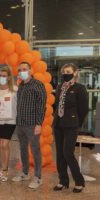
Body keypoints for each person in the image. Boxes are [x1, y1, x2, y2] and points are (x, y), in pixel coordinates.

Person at [53, 63, 88, 193]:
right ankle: (63, 181)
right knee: (60, 154)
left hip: (71, 125)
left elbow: (83, 109)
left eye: (68, 71)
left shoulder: (80, 88)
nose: (65, 74)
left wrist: (76, 123)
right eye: (63, 72)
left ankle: (79, 181)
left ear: (74, 73)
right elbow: (57, 104)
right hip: (58, 124)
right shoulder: (59, 87)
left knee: (68, 152)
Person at [12, 62, 47, 189]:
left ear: (31, 70)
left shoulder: (38, 85)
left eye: (24, 69)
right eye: (20, 70)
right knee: (22, 149)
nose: (22, 71)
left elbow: (41, 106)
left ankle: (38, 177)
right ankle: (25, 173)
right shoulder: (21, 85)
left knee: (35, 150)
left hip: (32, 124)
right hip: (20, 123)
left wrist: (39, 123)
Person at [0, 66, 17, 181]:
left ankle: (5, 170)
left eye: (4, 76)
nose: (2, 77)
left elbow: (18, 105)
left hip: (10, 121)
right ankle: (2, 166)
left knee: (4, 144)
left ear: (9, 77)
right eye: (0, 75)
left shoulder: (15, 89)